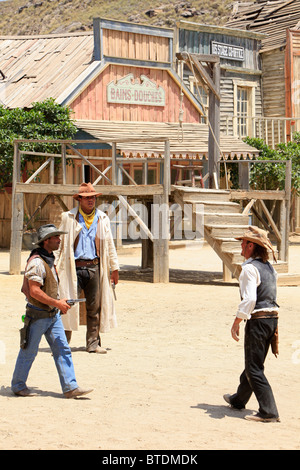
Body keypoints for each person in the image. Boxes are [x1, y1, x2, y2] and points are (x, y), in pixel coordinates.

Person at [11, 224, 93, 399]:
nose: (59, 239)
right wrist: (57, 302)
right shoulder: (37, 262)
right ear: (46, 241)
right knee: (29, 351)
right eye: (56, 237)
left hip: (52, 315)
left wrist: (57, 304)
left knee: (63, 349)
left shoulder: (48, 258)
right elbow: (34, 291)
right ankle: (18, 385)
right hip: (38, 315)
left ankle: (70, 387)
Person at [223, 226, 280, 423]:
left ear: (250, 246)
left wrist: (236, 321)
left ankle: (269, 411)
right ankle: (239, 400)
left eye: (244, 242)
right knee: (254, 364)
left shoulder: (249, 269)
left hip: (258, 321)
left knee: (254, 368)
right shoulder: (269, 267)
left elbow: (249, 300)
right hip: (272, 320)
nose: (241, 245)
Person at [55, 182, 119, 354]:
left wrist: (115, 268)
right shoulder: (68, 217)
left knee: (95, 307)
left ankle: (93, 344)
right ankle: (62, 344)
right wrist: (54, 265)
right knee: (66, 305)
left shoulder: (102, 218)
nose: (91, 201)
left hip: (95, 267)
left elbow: (110, 245)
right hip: (73, 267)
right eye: (87, 198)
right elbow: (59, 244)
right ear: (80, 200)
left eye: (93, 198)